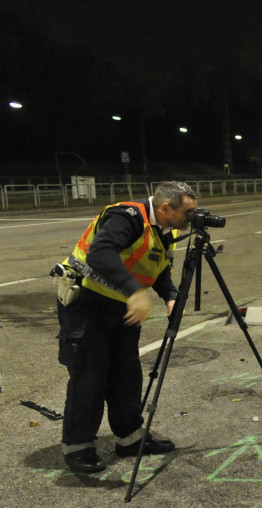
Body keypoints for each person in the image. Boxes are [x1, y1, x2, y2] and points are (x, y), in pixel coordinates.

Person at [55, 181, 197, 473]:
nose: (191, 219)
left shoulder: (166, 230)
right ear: (165, 208)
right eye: (188, 212)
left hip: (122, 307)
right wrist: (135, 291)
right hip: (88, 303)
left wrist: (170, 296)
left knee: (127, 374)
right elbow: (100, 254)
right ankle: (78, 446)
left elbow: (157, 268)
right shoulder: (127, 217)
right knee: (90, 376)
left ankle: (130, 438)